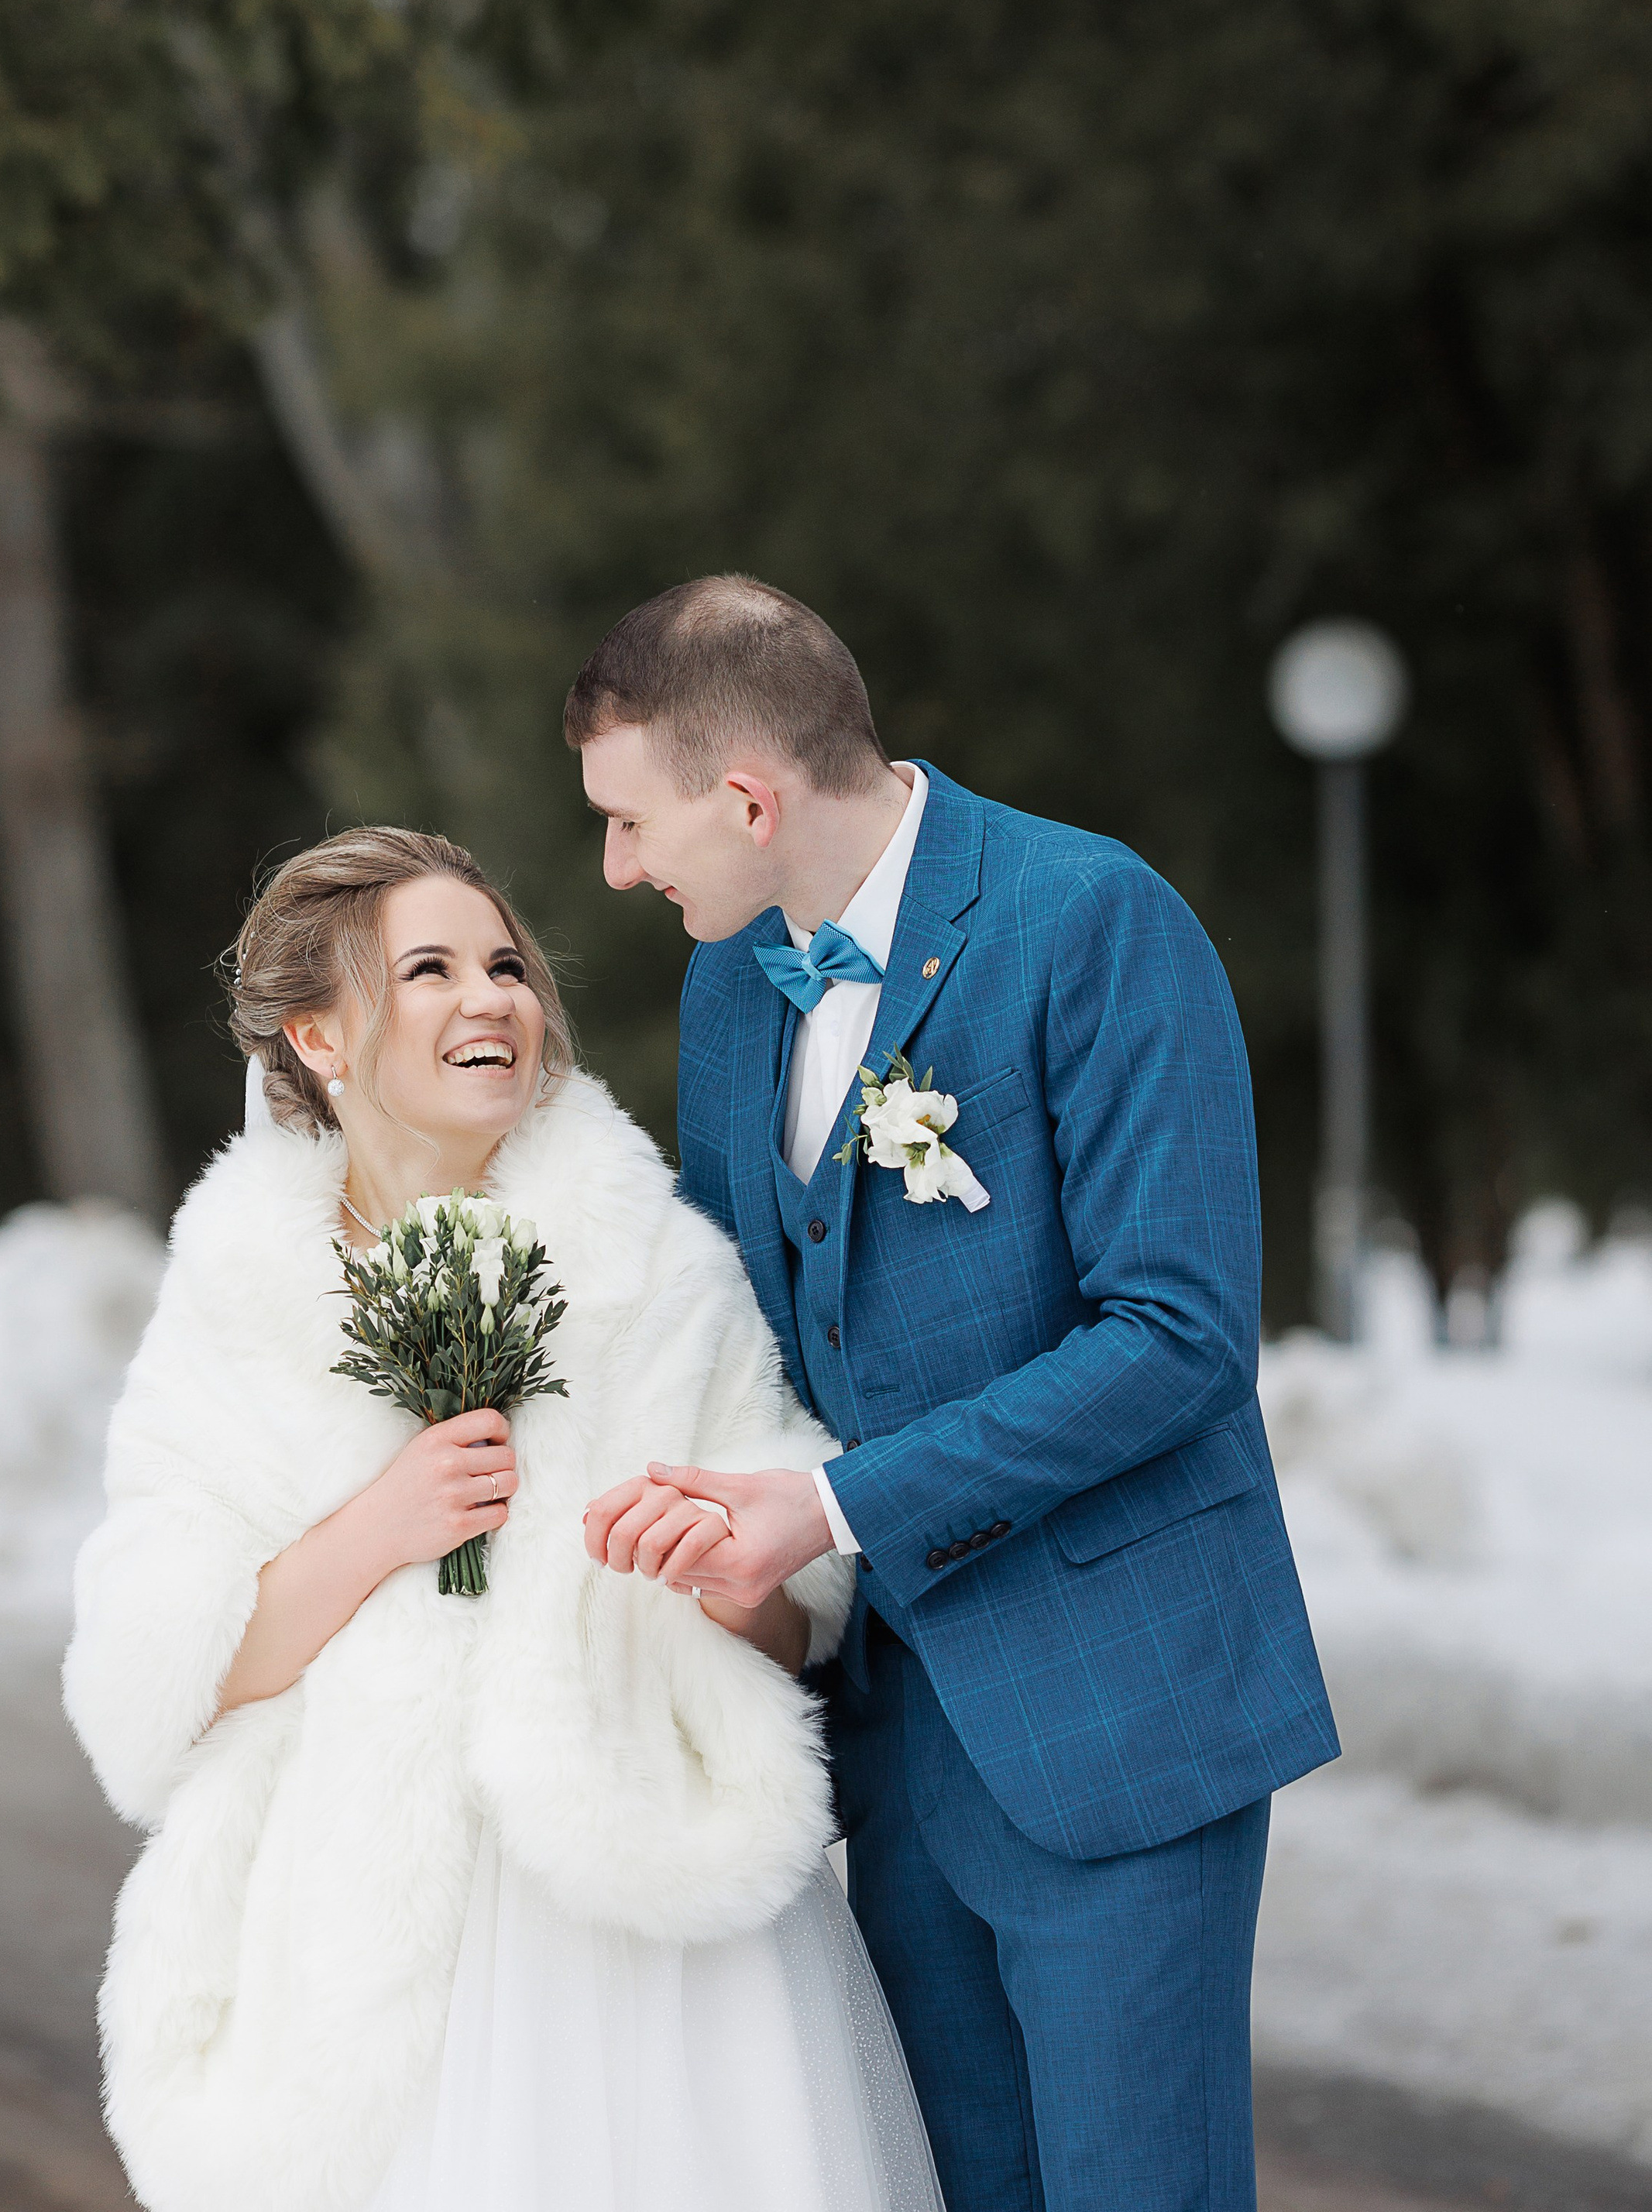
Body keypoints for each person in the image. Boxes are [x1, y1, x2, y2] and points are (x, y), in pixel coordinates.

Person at [569, 576, 1341, 2212]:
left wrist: (834, 1505)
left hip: (1115, 1717)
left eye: (633, 825)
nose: (617, 869)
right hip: (894, 1746)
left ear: (748, 799)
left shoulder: (1090, 918)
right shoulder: (730, 984)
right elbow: (735, 1319)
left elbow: (1179, 1336)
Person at [64, 824, 943, 2212]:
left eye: (506, 966)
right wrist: (380, 1526)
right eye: (430, 970)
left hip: (639, 1928)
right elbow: (156, 1686)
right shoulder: (236, 1302)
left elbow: (783, 1640)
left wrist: (729, 1578)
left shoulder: (660, 1268)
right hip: (359, 1938)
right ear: (319, 1038)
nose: (494, 1000)